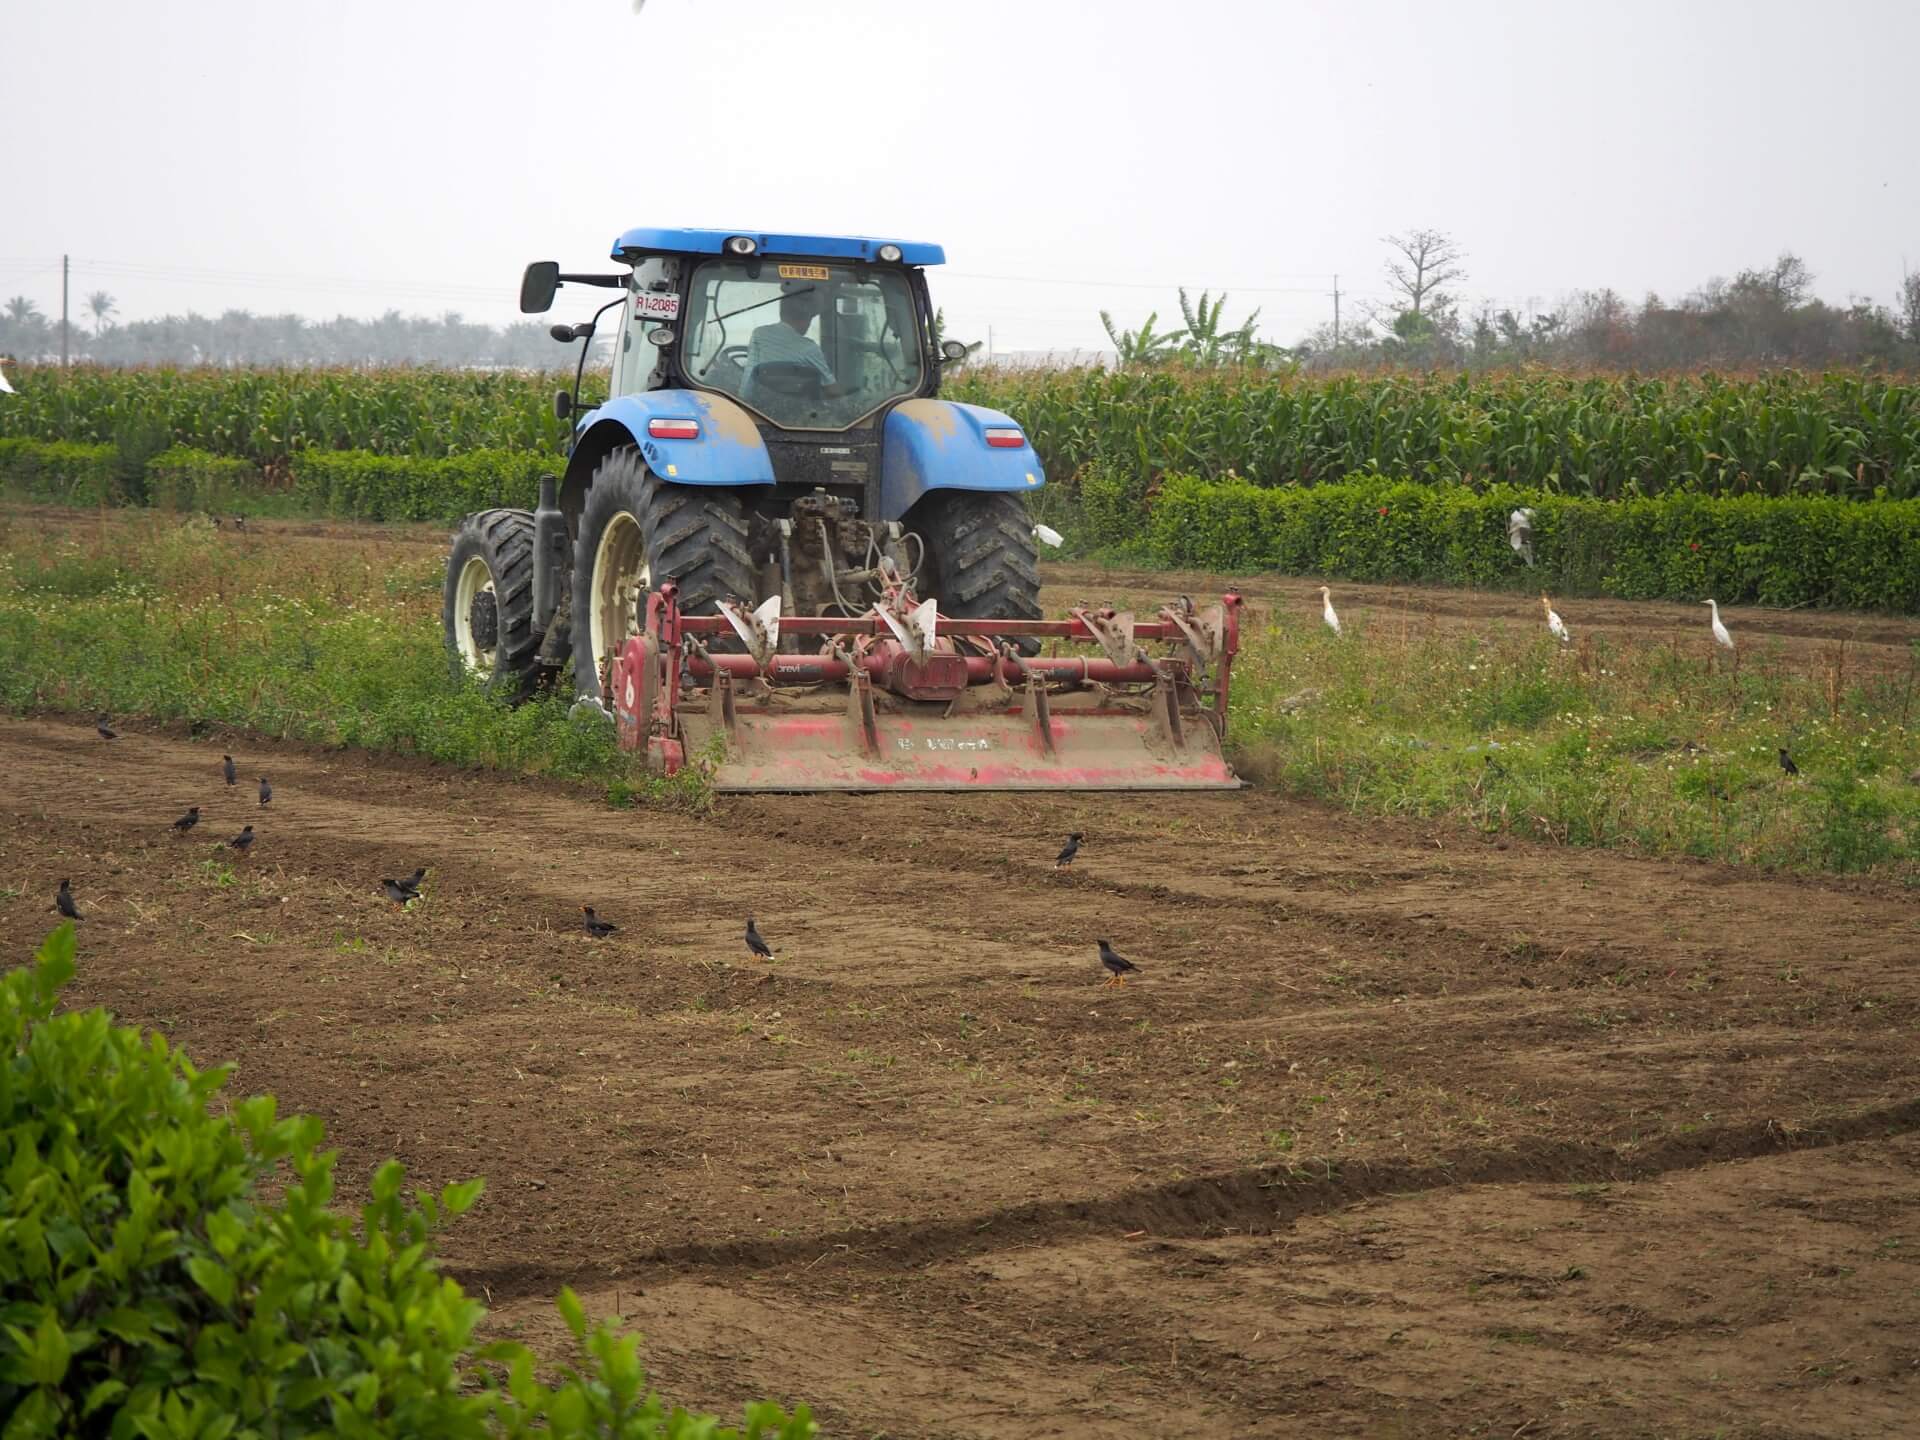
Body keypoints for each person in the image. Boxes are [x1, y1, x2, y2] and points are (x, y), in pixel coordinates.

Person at [745, 287, 844, 405]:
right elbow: (832, 390)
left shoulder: (759, 334)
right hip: (800, 413)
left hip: (758, 410)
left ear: (782, 313)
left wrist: (742, 405)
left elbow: (748, 377)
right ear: (806, 319)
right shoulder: (809, 348)